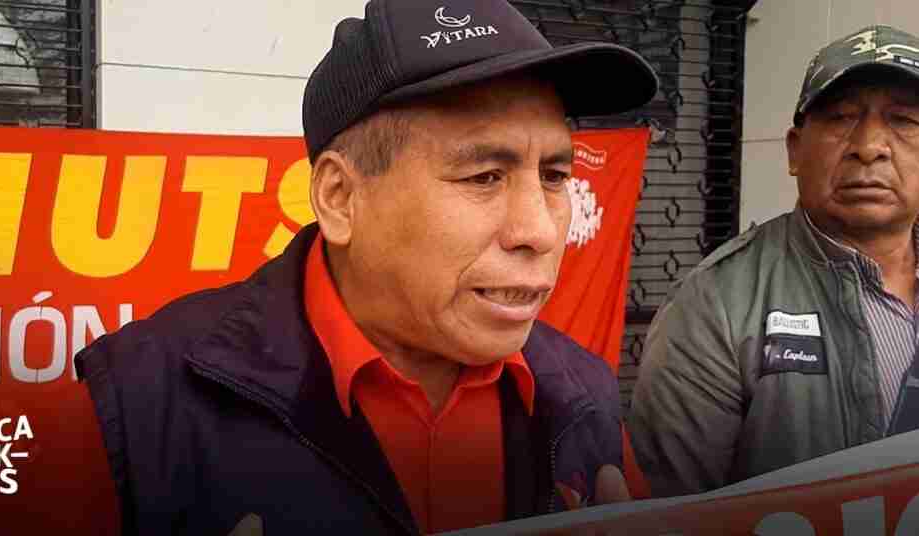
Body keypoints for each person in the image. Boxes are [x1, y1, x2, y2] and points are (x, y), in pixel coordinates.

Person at [74, 0, 658, 534]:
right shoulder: (133, 411)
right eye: (484, 176)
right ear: (339, 197)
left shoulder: (585, 397)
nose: (540, 231)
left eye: (554, 176)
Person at [629, 24, 919, 498]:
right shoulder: (717, 303)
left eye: (904, 120)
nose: (869, 146)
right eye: (841, 117)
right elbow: (667, 514)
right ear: (794, 150)